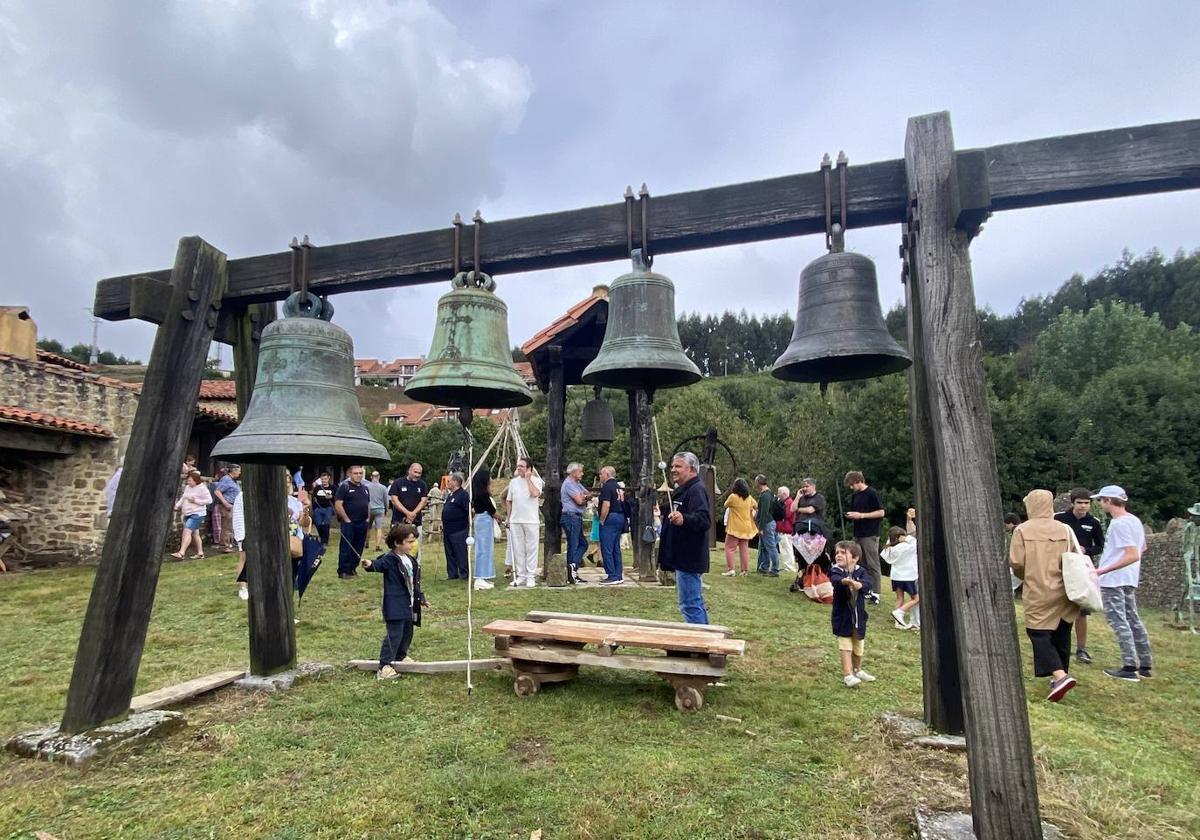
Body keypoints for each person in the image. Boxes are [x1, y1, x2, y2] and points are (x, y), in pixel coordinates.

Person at [1009, 489, 1079, 702]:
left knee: (1038, 633)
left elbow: (1016, 562)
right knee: (1062, 631)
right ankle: (1060, 678)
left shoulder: (1022, 530)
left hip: (1039, 587)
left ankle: (1059, 676)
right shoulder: (1064, 529)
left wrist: (1027, 575)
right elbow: (1076, 555)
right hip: (1066, 588)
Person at [1092, 485, 1152, 682]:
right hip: (1129, 579)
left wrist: (1102, 570)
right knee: (1133, 618)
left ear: (1109, 501)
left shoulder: (1118, 524)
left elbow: (1132, 554)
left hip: (1114, 580)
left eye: (1101, 500)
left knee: (1119, 621)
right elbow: (1142, 547)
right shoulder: (1135, 521)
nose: (1100, 504)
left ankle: (1129, 666)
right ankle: (1145, 664)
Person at [362, 523, 427, 681]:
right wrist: (370, 564)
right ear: (398, 543)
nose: (413, 544)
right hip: (395, 605)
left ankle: (400, 656)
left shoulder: (411, 560)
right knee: (394, 635)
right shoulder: (391, 559)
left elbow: (414, 582)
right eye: (409, 541)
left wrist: (421, 598)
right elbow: (379, 565)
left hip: (409, 605)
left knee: (407, 632)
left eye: (413, 541)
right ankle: (384, 666)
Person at [658, 452, 712, 623]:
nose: (673, 470)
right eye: (673, 466)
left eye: (678, 466)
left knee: (690, 604)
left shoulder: (696, 490)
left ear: (691, 469)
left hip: (690, 557)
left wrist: (684, 519)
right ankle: (703, 640)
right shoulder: (683, 490)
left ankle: (701, 644)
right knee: (691, 603)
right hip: (682, 556)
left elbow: (704, 520)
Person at [1054, 488, 1106, 665]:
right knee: (1059, 606)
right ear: (1073, 503)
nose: (1083, 506)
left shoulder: (1094, 522)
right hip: (1061, 566)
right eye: (1080, 503)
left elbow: (1100, 546)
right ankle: (1057, 645)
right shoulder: (1059, 518)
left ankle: (1081, 649)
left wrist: (1087, 550)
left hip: (1082, 569)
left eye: (1087, 503)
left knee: (1081, 610)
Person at [829, 540, 876, 688]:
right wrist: (845, 581)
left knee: (858, 646)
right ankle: (847, 675)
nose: (838, 555)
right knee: (846, 646)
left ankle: (858, 670)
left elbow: (868, 583)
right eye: (837, 552)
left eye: (843, 553)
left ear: (855, 558)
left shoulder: (861, 571)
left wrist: (859, 584)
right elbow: (835, 580)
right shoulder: (836, 570)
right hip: (842, 617)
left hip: (859, 618)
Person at [844, 471, 885, 597]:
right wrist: (850, 515)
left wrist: (862, 515)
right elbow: (854, 511)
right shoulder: (855, 496)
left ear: (859, 481)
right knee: (859, 562)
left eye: (852, 485)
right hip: (858, 533)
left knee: (873, 564)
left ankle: (876, 592)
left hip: (870, 533)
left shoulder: (872, 493)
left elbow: (881, 512)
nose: (851, 488)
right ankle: (864, 588)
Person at [504, 456, 543, 588]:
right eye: (518, 466)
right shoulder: (513, 482)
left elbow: (535, 493)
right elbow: (509, 500)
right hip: (516, 520)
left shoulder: (536, 481)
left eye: (522, 466)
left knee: (531, 548)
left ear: (529, 469)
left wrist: (528, 479)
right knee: (518, 549)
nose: (519, 468)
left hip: (531, 520)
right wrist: (509, 518)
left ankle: (530, 576)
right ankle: (521, 575)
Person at [334, 465, 371, 579]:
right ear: (350, 474)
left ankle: (352, 568)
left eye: (360, 473)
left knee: (358, 546)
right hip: (349, 522)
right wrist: (346, 519)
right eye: (356, 473)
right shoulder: (344, 487)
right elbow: (338, 504)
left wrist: (368, 518)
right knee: (346, 547)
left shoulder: (365, 488)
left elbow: (368, 504)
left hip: (362, 522)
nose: (358, 475)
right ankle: (343, 570)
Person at [881, 526, 919, 629]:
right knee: (916, 598)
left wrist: (893, 538)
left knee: (899, 598)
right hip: (908, 577)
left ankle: (897, 623)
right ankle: (900, 612)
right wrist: (907, 538)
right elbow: (916, 543)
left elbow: (885, 553)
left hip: (896, 577)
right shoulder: (906, 547)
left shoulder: (889, 549)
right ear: (901, 537)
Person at [171, 470, 212, 559]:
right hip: (188, 513)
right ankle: (200, 553)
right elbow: (184, 497)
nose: (188, 482)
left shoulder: (202, 488)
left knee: (187, 531)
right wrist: (177, 506)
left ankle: (181, 553)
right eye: (188, 480)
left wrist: (196, 501)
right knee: (195, 534)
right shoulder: (188, 487)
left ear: (196, 480)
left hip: (197, 514)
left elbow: (209, 500)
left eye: (190, 480)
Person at [560, 462, 590, 584]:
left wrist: (584, 497)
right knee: (574, 545)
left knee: (583, 544)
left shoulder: (577, 484)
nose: (582, 473)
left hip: (576, 517)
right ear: (573, 472)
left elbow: (587, 493)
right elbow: (579, 500)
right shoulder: (568, 484)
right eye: (580, 471)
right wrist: (584, 497)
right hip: (570, 517)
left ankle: (573, 568)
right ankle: (571, 571)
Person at [472, 468, 501, 590]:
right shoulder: (483, 495)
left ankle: (484, 576)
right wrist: (501, 518)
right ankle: (479, 578)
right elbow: (492, 510)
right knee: (483, 549)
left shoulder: (478, 493)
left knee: (485, 548)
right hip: (484, 520)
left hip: (482, 520)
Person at [596, 465, 625, 585]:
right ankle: (618, 574)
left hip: (610, 517)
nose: (600, 476)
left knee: (607, 548)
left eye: (601, 474)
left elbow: (606, 504)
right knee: (615, 548)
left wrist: (602, 519)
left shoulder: (607, 487)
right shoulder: (618, 487)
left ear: (607, 474)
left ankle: (612, 575)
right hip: (620, 516)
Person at [722, 478, 756, 576]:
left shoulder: (733, 497)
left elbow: (725, 505)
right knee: (744, 549)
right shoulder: (749, 498)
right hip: (746, 527)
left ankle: (731, 569)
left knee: (729, 548)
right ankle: (744, 570)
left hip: (734, 527)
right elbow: (756, 506)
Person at [793, 478, 828, 568]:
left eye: (807, 486)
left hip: (814, 531)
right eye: (803, 486)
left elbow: (810, 510)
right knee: (801, 555)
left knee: (814, 556)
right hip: (801, 529)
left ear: (813, 486)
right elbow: (792, 509)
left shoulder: (819, 498)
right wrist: (797, 496)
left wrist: (798, 509)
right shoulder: (802, 498)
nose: (804, 488)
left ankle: (816, 575)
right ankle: (802, 575)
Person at [441, 472, 470, 581]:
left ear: (456, 482)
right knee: (449, 552)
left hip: (459, 529)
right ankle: (452, 574)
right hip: (448, 529)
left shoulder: (463, 495)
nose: (448, 482)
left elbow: (468, 511)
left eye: (450, 481)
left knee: (460, 552)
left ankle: (464, 573)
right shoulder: (450, 495)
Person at [388, 463, 430, 534]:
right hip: (398, 521)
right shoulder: (398, 483)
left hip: (416, 522)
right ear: (409, 471)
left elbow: (424, 501)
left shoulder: (422, 485)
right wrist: (407, 513)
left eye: (419, 473)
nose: (417, 475)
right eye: (415, 472)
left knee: (415, 544)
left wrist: (413, 513)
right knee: (398, 543)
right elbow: (394, 500)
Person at [213, 464, 242, 552]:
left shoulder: (233, 481)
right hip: (227, 506)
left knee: (231, 526)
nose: (240, 473)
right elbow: (217, 491)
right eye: (239, 471)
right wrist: (225, 503)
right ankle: (225, 546)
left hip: (233, 506)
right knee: (227, 526)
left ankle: (229, 544)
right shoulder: (226, 479)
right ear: (234, 470)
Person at [753, 475, 778, 576]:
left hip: (767, 524)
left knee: (771, 547)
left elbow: (764, 512)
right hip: (767, 523)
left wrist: (761, 527)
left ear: (759, 482)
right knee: (764, 547)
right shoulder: (769, 494)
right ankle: (764, 567)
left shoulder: (765, 496)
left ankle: (775, 569)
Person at [365, 470, 390, 551]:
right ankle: (377, 546)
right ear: (379, 477)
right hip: (379, 509)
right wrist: (386, 509)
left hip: (369, 509)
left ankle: (366, 543)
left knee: (368, 527)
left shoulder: (366, 486)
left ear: (371, 477)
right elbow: (386, 500)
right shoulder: (383, 487)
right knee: (379, 528)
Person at [776, 485, 797, 570]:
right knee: (783, 549)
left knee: (787, 548)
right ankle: (787, 566)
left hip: (786, 529)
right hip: (783, 528)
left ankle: (790, 566)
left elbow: (788, 514)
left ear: (783, 493)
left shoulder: (789, 503)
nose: (778, 495)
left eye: (779, 493)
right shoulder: (786, 502)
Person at [312, 471, 335, 545]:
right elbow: (313, 498)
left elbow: (336, 498)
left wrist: (331, 497)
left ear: (328, 478)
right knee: (318, 524)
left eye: (325, 479)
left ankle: (325, 541)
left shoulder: (333, 488)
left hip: (328, 508)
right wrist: (314, 508)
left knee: (326, 524)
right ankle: (322, 537)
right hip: (318, 509)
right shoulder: (317, 488)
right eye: (322, 479)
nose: (324, 481)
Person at [1004, 513, 1023, 595]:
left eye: (1006, 525)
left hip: (1018, 563)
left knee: (1009, 585)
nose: (1006, 527)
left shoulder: (1016, 531)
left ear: (1010, 523)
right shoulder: (1024, 529)